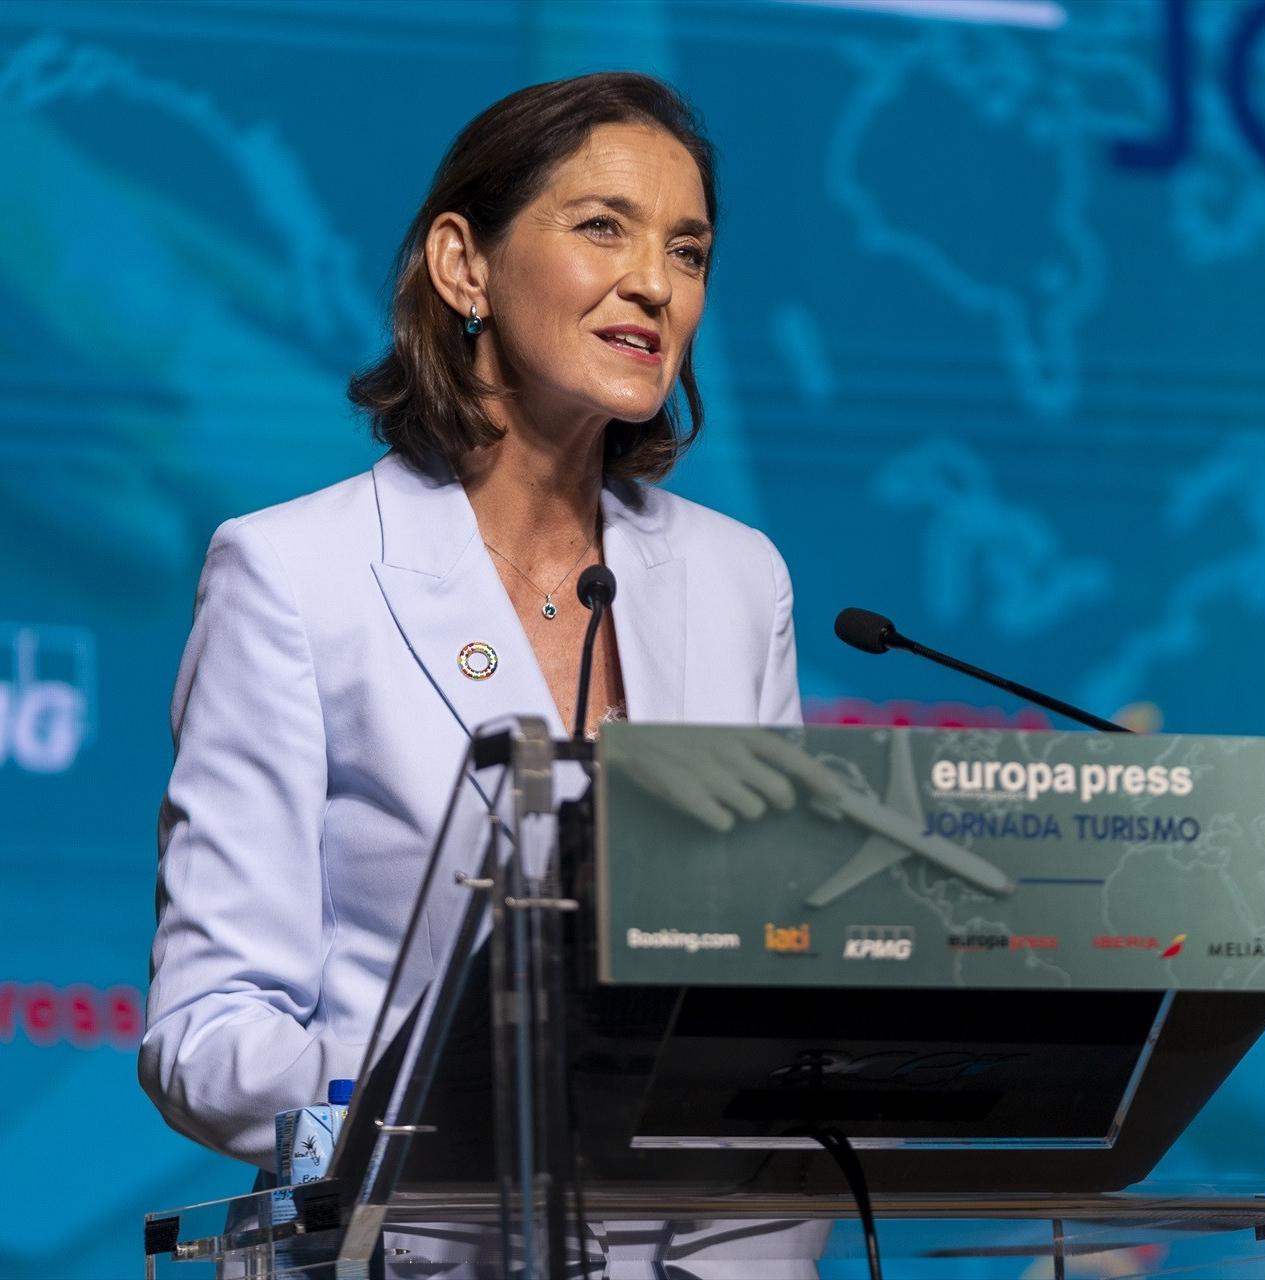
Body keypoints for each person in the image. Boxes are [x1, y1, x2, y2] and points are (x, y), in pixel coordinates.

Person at [141, 73, 820, 1274]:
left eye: (688, 250)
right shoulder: (294, 573)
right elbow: (205, 1034)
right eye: (602, 225)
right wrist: (422, 1118)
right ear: (464, 265)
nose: (654, 283)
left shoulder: (737, 580)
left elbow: (768, 988)